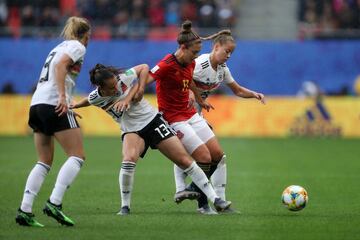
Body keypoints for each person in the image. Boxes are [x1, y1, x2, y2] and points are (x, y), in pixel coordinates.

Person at [71, 63, 231, 215]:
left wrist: (139, 89)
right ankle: (124, 207)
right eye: (111, 87)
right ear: (101, 87)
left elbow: (143, 67)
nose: (116, 88)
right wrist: (76, 105)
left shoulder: (123, 77)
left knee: (184, 160)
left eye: (115, 83)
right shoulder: (95, 97)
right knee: (128, 159)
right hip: (132, 130)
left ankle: (215, 199)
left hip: (152, 121)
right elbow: (89, 100)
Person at [172, 30, 265, 213]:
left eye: (231, 53)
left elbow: (237, 90)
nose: (228, 55)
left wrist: (253, 94)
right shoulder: (199, 63)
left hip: (196, 116)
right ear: (216, 47)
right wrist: (191, 93)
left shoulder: (222, 70)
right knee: (202, 157)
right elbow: (181, 79)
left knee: (218, 157)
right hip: (181, 115)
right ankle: (198, 197)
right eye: (226, 51)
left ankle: (207, 196)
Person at [146, 20, 232, 215]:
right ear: (183, 48)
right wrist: (132, 95)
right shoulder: (167, 64)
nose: (196, 56)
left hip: (190, 114)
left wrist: (199, 99)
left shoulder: (190, 62)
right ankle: (205, 203)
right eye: (194, 52)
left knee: (217, 155)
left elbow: (190, 80)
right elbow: (149, 76)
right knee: (203, 157)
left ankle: (194, 188)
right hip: (173, 118)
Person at [15, 16, 91, 227]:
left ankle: (25, 210)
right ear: (86, 35)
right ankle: (54, 203)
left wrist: (64, 99)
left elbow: (56, 68)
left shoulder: (59, 47)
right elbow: (60, 67)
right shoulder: (78, 46)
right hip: (53, 104)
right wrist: (61, 98)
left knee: (44, 161)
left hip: (37, 105)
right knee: (78, 156)